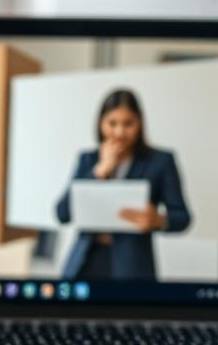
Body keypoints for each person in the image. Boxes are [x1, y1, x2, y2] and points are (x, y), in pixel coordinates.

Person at [55, 88, 190, 280]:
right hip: (84, 263)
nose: (119, 132)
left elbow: (182, 217)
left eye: (128, 124)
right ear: (101, 123)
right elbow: (62, 214)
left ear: (140, 123)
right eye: (112, 123)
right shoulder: (87, 159)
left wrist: (159, 220)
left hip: (132, 267)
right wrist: (100, 170)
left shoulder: (161, 161)